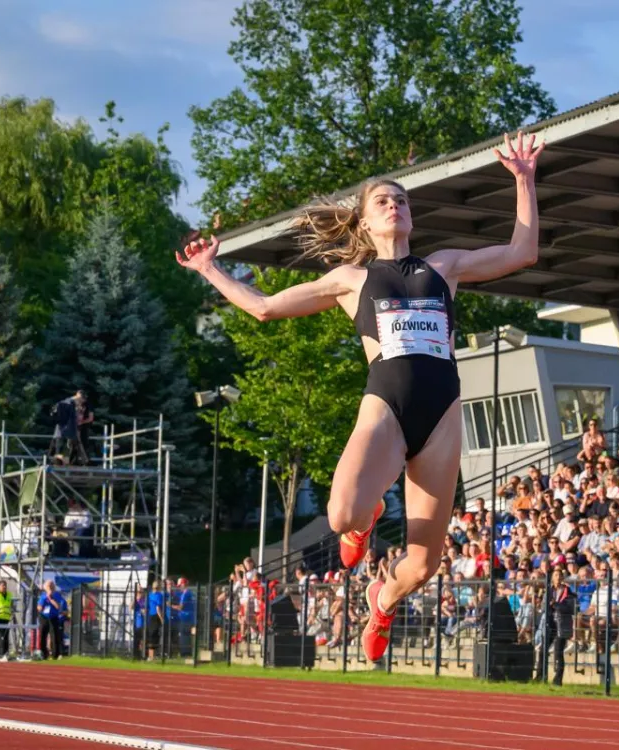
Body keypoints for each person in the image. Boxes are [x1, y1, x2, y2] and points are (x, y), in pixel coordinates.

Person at [176, 131, 545, 662]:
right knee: (343, 513)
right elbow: (264, 308)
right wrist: (210, 267)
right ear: (366, 223)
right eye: (382, 201)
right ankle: (369, 517)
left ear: (410, 218)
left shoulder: (444, 267)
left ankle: (383, 598)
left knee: (422, 566)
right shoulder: (350, 278)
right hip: (387, 406)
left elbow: (522, 251)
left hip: (442, 414)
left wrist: (524, 180)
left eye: (402, 200)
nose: (394, 205)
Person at [36, 580, 68, 660]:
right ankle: (43, 653)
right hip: (44, 617)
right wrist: (45, 600)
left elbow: (58, 607)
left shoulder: (57, 595)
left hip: (53, 617)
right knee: (43, 635)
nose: (50, 587)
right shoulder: (43, 596)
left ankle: (55, 654)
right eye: (48, 586)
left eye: (51, 586)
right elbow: (39, 607)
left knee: (54, 635)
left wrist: (51, 599)